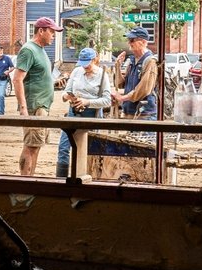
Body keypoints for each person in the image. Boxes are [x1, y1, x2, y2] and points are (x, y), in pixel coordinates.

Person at [10, 17, 59, 177]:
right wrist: (23, 108)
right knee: (30, 146)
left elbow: (38, 76)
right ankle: (25, 180)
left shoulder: (41, 50)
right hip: (34, 107)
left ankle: (30, 180)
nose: (53, 35)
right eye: (51, 32)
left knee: (36, 146)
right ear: (41, 31)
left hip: (42, 106)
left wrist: (54, 82)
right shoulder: (29, 50)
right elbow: (17, 78)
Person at [56, 46, 112, 178]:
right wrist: (67, 96)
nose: (85, 67)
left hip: (91, 116)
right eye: (83, 64)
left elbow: (107, 100)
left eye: (87, 64)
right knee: (63, 148)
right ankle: (60, 181)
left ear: (94, 60)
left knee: (89, 151)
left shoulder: (102, 75)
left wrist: (87, 102)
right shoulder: (76, 71)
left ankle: (86, 178)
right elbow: (66, 91)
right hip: (73, 114)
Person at [112, 27, 159, 118]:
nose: (129, 42)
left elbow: (143, 90)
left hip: (144, 115)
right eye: (129, 40)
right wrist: (118, 66)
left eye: (132, 40)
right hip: (130, 112)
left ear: (143, 42)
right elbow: (121, 84)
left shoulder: (150, 61)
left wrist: (122, 98)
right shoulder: (132, 60)